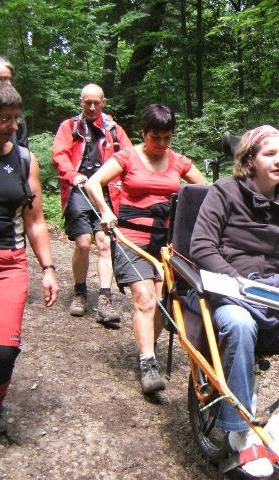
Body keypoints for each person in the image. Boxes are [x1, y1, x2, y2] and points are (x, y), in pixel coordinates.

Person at [189, 125, 279, 478]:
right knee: (239, 322)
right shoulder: (223, 192)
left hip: (272, 295)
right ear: (249, 160)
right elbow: (201, 247)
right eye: (270, 153)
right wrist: (237, 283)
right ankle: (240, 431)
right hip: (225, 291)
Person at [85, 104, 205, 394]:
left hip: (166, 243)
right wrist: (105, 210)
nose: (162, 144)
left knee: (163, 306)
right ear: (143, 133)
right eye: (156, 137)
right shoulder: (127, 157)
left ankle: (147, 346)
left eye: (167, 137)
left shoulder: (178, 161)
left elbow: (206, 190)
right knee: (145, 298)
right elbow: (93, 183)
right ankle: (147, 363)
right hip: (131, 238)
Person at [0, 80, 59, 461]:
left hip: (8, 263)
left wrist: (49, 268)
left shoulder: (23, 160)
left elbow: (35, 220)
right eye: (4, 119)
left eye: (16, 118)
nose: (13, 125)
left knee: (1, 351)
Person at [52, 83, 132, 325]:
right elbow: (60, 154)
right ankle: (79, 291)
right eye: (87, 102)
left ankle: (105, 299)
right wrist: (72, 175)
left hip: (106, 191)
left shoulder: (114, 130)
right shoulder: (69, 126)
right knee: (84, 243)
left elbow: (128, 156)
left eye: (96, 102)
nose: (92, 106)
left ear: (103, 102)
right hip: (78, 188)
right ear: (81, 102)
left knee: (105, 243)